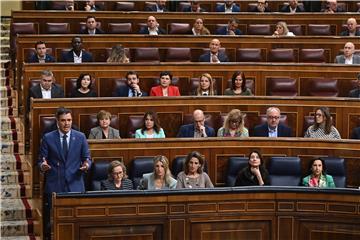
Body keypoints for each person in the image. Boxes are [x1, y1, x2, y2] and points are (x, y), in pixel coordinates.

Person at [38, 107, 91, 240]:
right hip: (55, 184)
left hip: (75, 185)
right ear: (57, 121)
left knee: (76, 220)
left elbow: (87, 158)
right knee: (54, 222)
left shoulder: (80, 137)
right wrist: (43, 166)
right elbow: (41, 160)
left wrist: (86, 165)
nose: (67, 123)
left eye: (69, 120)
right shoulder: (48, 138)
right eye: (63, 120)